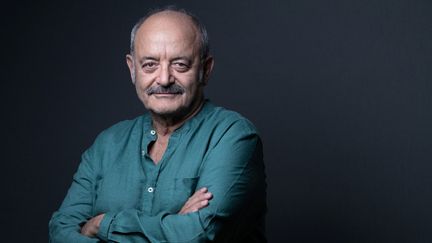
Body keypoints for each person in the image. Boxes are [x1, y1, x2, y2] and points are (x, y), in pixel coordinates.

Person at [49, 6, 266, 243]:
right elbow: (60, 232)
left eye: (180, 64)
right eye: (150, 64)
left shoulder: (232, 136)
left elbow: (198, 235)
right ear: (132, 69)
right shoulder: (107, 144)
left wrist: (102, 224)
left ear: (205, 69)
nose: (164, 79)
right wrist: (174, 226)